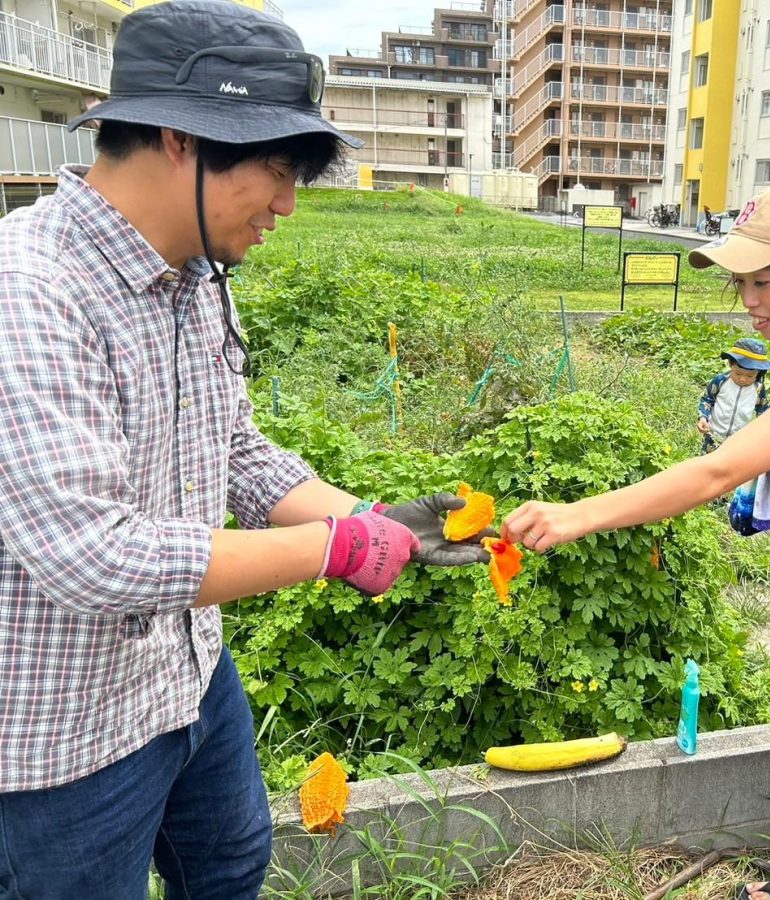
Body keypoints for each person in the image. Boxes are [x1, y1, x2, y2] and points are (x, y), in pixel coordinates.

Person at [0, 3, 489, 897]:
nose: (288, 202)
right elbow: (88, 554)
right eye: (275, 168)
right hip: (60, 729)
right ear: (183, 138)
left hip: (185, 673)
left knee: (229, 861)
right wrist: (332, 551)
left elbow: (234, 450)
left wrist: (374, 521)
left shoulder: (194, 276)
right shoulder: (30, 287)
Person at [503, 181, 770, 900]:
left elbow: (718, 470)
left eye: (764, 281)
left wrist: (576, 515)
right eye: (741, 283)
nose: (750, 300)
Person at [697, 337, 770, 454]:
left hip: (739, 440)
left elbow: (762, 410)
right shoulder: (721, 381)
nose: (742, 379)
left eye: (750, 376)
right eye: (737, 373)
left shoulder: (758, 388)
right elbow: (707, 399)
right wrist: (703, 417)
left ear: (759, 373)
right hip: (714, 433)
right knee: (708, 463)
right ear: (730, 364)